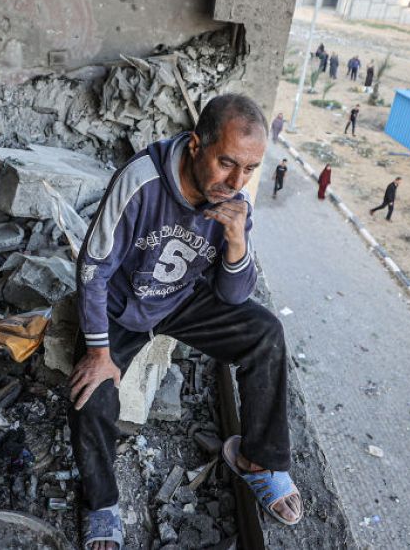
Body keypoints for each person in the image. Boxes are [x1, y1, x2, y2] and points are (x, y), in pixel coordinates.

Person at [68, 94, 300, 548]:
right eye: (227, 162)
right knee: (89, 392)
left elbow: (234, 294)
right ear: (196, 145)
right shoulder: (142, 180)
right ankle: (102, 504)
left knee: (265, 332)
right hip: (123, 307)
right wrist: (98, 351)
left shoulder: (234, 201)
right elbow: (92, 268)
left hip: (181, 299)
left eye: (250, 169)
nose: (236, 180)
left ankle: (257, 460)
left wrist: (236, 242)